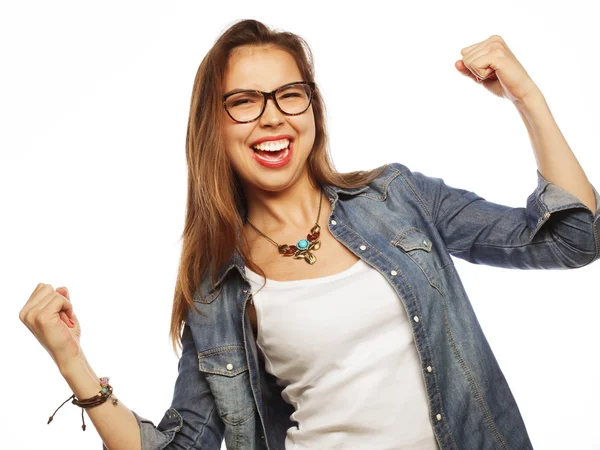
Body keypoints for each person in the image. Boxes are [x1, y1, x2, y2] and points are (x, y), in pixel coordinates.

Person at [19, 18, 600, 450]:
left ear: (312, 109)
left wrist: (527, 97)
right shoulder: (218, 288)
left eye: (289, 94)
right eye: (243, 102)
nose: (273, 116)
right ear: (212, 128)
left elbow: (572, 239)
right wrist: (72, 362)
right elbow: (183, 446)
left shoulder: (398, 198)